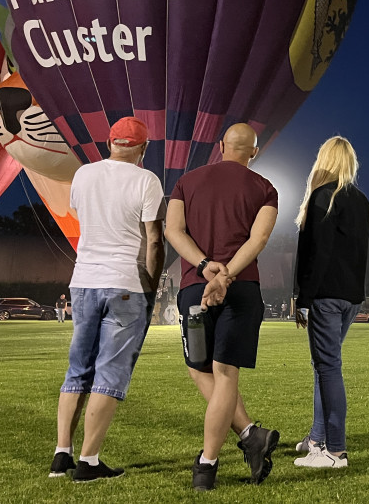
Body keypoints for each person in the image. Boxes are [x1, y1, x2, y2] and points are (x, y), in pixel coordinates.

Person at [165, 123, 280, 491]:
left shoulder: (187, 181)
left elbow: (173, 231)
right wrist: (227, 275)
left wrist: (205, 267)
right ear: (254, 153)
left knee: (200, 370)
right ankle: (247, 437)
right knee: (224, 373)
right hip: (243, 287)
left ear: (220, 146)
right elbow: (258, 238)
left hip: (194, 288)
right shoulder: (265, 188)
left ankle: (209, 463)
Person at [50, 117, 165, 482]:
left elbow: (85, 217)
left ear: (110, 141)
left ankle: (61, 454)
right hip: (124, 281)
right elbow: (155, 240)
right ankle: (89, 461)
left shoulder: (84, 174)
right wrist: (152, 282)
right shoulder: (147, 180)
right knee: (110, 372)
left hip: (83, 280)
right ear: (143, 149)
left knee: (77, 369)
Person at [292, 136, 369, 469]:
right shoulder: (361, 200)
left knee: (328, 368)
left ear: (323, 161)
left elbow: (317, 253)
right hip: (351, 295)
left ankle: (335, 451)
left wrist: (303, 298)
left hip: (326, 295)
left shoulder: (323, 197)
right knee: (324, 367)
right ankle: (316, 437)